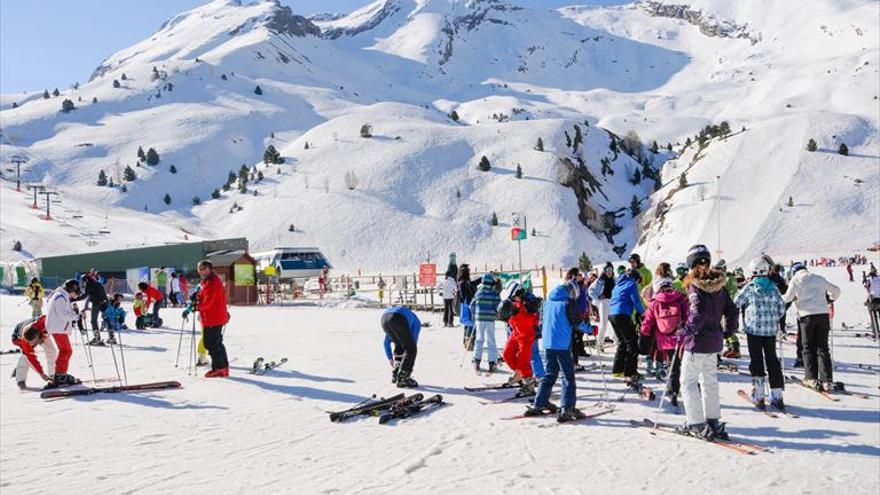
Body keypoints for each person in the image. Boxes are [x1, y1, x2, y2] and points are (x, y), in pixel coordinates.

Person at [677, 244, 738, 440]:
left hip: (697, 344)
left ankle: (696, 423)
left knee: (687, 382)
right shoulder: (719, 284)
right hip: (713, 343)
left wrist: (685, 331)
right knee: (709, 382)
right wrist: (728, 330)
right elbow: (732, 309)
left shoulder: (696, 285)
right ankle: (713, 421)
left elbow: (697, 314)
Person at [526, 281, 584, 422]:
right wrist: (590, 329)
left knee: (550, 374)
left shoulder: (547, 302)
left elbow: (541, 322)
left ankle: (540, 402)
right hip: (562, 344)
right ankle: (567, 407)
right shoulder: (567, 303)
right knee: (568, 376)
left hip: (547, 343)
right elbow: (576, 322)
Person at [734, 258, 786, 409]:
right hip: (770, 330)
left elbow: (736, 302)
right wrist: (773, 317)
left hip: (753, 330)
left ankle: (759, 394)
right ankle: (777, 395)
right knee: (772, 360)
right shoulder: (774, 287)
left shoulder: (749, 287)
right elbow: (781, 308)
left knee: (756, 360)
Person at [783, 262, 841, 391]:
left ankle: (811, 378)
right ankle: (827, 380)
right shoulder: (818, 277)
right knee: (823, 348)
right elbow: (836, 290)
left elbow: (787, 298)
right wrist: (830, 299)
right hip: (823, 315)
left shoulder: (795, 280)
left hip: (807, 316)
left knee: (808, 348)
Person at [640, 277, 687, 406]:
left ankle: (672, 390)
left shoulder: (654, 302)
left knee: (671, 365)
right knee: (678, 365)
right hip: (679, 337)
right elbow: (688, 316)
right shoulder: (680, 298)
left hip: (664, 339)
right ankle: (677, 389)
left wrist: (643, 333)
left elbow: (648, 320)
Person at [195, 260, 231, 378]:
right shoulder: (208, 280)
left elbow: (209, 300)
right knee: (216, 342)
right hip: (213, 316)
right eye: (201, 269)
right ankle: (223, 367)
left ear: (210, 269)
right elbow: (204, 294)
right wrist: (197, 297)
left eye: (205, 268)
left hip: (214, 316)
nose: (203, 271)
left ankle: (219, 368)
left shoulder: (213, 281)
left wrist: (198, 306)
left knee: (210, 343)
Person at [609, 268, 645, 383]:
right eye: (638, 281)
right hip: (622, 314)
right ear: (635, 278)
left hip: (612, 315)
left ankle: (617, 369)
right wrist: (644, 314)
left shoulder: (618, 284)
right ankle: (631, 372)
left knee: (622, 341)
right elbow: (636, 301)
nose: (638, 284)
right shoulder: (631, 284)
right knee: (632, 342)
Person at [45, 279, 83, 387]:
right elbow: (63, 315)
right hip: (58, 328)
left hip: (59, 327)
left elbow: (65, 312)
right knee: (66, 350)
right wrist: (77, 316)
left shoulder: (62, 296)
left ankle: (60, 374)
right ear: (72, 289)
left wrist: (74, 312)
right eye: (76, 292)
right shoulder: (60, 297)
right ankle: (60, 374)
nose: (77, 294)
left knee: (66, 350)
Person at [502, 284, 540, 392]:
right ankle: (519, 374)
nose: (514, 300)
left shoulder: (528, 305)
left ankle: (529, 385)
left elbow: (535, 319)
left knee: (523, 362)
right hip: (515, 333)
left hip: (526, 336)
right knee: (507, 354)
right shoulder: (514, 303)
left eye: (515, 297)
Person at [10, 315, 55, 390]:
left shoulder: (41, 324)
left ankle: (53, 375)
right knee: (26, 357)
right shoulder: (24, 342)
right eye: (31, 343)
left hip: (37, 330)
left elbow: (50, 316)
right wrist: (41, 373)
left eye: (34, 342)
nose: (33, 344)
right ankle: (20, 380)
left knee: (51, 350)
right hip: (18, 337)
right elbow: (31, 358)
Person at [381, 306, 421, 388]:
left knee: (399, 344)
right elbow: (413, 342)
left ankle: (396, 372)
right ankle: (403, 376)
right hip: (397, 318)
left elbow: (386, 343)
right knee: (410, 348)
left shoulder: (408, 316)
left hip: (384, 319)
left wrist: (390, 358)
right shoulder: (416, 322)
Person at [471, 273, 501, 373]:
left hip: (479, 318)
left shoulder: (478, 292)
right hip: (490, 319)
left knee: (479, 339)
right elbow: (498, 306)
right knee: (491, 340)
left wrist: (475, 314)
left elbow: (472, 305)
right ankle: (492, 362)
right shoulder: (494, 293)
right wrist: (496, 314)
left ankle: (476, 361)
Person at [588, 262, 616, 353]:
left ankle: (616, 341)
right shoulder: (600, 280)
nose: (609, 272)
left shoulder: (615, 280)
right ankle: (600, 343)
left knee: (615, 323)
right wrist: (598, 297)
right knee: (604, 324)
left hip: (613, 303)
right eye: (607, 270)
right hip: (603, 303)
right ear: (604, 271)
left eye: (610, 270)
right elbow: (590, 291)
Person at [716, 260, 742, 359]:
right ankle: (730, 347)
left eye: (719, 269)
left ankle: (735, 349)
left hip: (729, 307)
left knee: (728, 326)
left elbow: (732, 293)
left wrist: (727, 306)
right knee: (723, 327)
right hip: (723, 306)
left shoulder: (729, 279)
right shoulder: (722, 278)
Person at [83, 270, 109, 345]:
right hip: (101, 302)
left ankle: (97, 338)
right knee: (106, 319)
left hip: (97, 303)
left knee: (93, 320)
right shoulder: (97, 284)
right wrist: (106, 302)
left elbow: (86, 294)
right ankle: (109, 336)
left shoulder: (91, 284)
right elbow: (103, 294)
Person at [458, 265, 480, 349]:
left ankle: (467, 341)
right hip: (468, 305)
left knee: (467, 323)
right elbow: (464, 295)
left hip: (465, 305)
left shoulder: (462, 282)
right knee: (470, 323)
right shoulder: (464, 283)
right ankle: (469, 342)